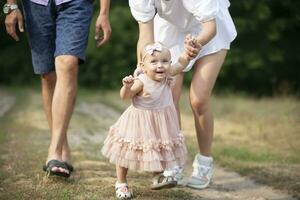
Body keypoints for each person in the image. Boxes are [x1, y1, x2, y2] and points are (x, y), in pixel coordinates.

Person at [128, 0, 237, 189]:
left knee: (199, 99)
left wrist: (195, 45)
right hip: (170, 31)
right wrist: (142, 67)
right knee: (168, 97)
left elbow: (210, 28)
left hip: (208, 31)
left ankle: (204, 163)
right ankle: (173, 162)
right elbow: (145, 35)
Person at [4, 0, 112, 177]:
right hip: (36, 5)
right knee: (48, 76)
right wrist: (11, 5)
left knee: (67, 64)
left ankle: (54, 152)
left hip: (76, 3)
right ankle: (62, 147)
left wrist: (104, 11)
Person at [101, 41, 195, 199]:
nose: (160, 65)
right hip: (139, 122)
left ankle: (157, 176)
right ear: (143, 66)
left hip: (160, 122)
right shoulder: (141, 81)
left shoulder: (168, 75)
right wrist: (127, 86)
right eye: (154, 62)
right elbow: (125, 97)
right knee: (127, 152)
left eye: (165, 61)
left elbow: (180, 64)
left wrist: (187, 53)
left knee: (158, 148)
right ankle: (121, 183)